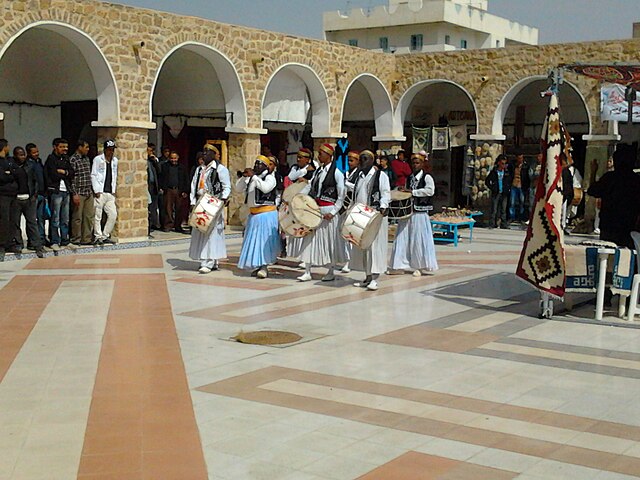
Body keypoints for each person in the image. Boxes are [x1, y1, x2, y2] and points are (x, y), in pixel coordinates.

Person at [297, 143, 346, 282]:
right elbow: (309, 186)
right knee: (309, 240)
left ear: (329, 156)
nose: (319, 156)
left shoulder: (337, 173)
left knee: (329, 242)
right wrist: (297, 198)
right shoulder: (318, 171)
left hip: (329, 211)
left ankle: (330, 270)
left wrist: (334, 211)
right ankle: (307, 270)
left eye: (321, 153)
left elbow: (341, 194)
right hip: (316, 210)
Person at [389, 152, 438, 276]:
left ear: (422, 164)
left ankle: (419, 266)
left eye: (417, 163)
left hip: (419, 213)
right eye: (413, 163)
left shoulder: (427, 177)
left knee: (418, 239)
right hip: (408, 212)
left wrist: (413, 192)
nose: (415, 165)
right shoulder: (410, 177)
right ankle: (399, 264)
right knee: (402, 237)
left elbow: (430, 191)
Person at [348, 150, 391, 291]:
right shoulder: (359, 176)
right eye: (361, 159)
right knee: (364, 247)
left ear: (372, 161)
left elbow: (385, 193)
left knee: (374, 247)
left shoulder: (381, 176)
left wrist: (383, 206)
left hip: (375, 214)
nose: (363, 161)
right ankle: (367, 276)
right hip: (362, 216)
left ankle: (375, 278)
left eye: (366, 159)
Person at [236, 155, 281, 279]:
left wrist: (254, 177)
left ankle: (264, 267)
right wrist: (243, 178)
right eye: (255, 164)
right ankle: (258, 265)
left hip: (266, 214)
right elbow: (238, 189)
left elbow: (265, 188)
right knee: (255, 242)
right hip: (254, 214)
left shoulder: (270, 178)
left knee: (263, 242)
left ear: (265, 166)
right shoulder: (253, 178)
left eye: (259, 164)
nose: (256, 166)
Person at [587, 145, 640, 249]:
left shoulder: (609, 178)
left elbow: (592, 190)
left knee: (607, 256)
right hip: (628, 226)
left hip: (609, 226)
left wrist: (593, 171)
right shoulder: (637, 181)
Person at [189, 147, 231, 274]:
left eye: (208, 153)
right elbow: (193, 185)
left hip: (213, 204)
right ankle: (210, 259)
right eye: (204, 152)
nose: (205, 154)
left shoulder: (220, 169)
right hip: (201, 202)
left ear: (214, 155)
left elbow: (226, 187)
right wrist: (192, 202)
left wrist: (222, 200)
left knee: (211, 233)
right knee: (201, 231)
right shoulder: (199, 169)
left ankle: (208, 261)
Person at [10, 146, 44, 257]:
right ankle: (18, 244)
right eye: (20, 154)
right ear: (15, 155)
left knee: (32, 222)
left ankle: (36, 245)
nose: (23, 156)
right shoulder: (12, 166)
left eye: (23, 154)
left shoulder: (30, 166)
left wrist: (34, 195)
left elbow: (35, 181)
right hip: (16, 199)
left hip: (29, 198)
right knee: (15, 222)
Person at [284, 148, 316, 262]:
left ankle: (305, 256)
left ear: (307, 159)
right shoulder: (295, 168)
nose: (298, 159)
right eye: (298, 157)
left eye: (301, 157)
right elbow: (291, 177)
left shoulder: (314, 168)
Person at [44, 138, 74, 250]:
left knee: (65, 218)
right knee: (55, 218)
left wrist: (63, 171)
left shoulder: (66, 159)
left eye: (66, 147)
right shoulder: (51, 159)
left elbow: (71, 173)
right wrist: (63, 173)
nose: (64, 149)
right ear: (55, 147)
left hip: (66, 191)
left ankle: (65, 241)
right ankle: (54, 241)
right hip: (56, 191)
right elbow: (53, 175)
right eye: (62, 147)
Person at [91, 139, 118, 245]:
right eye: (109, 150)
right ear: (105, 150)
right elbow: (93, 174)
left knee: (113, 214)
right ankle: (98, 236)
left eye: (113, 150)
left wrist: (114, 190)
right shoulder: (98, 159)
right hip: (100, 191)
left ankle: (105, 234)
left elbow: (115, 175)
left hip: (110, 192)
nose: (111, 152)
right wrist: (96, 189)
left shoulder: (115, 161)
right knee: (98, 215)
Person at [69, 140, 94, 245]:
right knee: (77, 217)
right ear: (80, 147)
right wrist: (74, 193)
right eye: (86, 147)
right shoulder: (73, 160)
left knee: (88, 216)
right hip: (78, 192)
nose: (88, 149)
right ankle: (76, 238)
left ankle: (86, 238)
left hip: (88, 191)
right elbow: (71, 178)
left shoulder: (87, 159)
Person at [340, 150, 361, 274]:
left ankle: (350, 261)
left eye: (352, 160)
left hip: (353, 206)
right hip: (345, 206)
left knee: (351, 233)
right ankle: (346, 259)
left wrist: (346, 184)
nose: (349, 162)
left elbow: (358, 187)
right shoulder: (346, 173)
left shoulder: (359, 174)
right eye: (348, 160)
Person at [160, 151, 189, 233]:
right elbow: (161, 177)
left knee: (179, 209)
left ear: (178, 158)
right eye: (172, 158)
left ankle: (178, 225)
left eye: (175, 158)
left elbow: (185, 179)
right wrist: (162, 187)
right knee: (168, 208)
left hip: (178, 190)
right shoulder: (165, 166)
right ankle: (168, 225)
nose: (173, 160)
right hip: (168, 189)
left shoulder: (182, 168)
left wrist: (185, 190)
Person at [0, 139, 19, 260]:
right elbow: (2, 177)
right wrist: (9, 175)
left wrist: (10, 173)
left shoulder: (10, 160)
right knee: (4, 219)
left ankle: (10, 242)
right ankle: (2, 244)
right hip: (3, 194)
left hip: (13, 194)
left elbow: (17, 173)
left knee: (13, 219)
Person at [25, 143, 47, 246]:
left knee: (41, 218)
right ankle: (32, 241)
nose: (36, 154)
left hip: (42, 193)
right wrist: (33, 193)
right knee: (32, 220)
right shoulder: (28, 164)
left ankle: (41, 238)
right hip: (34, 195)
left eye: (37, 152)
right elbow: (30, 180)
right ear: (29, 153)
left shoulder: (39, 162)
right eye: (34, 153)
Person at [486, 154, 511, 229]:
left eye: (505, 164)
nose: (504, 165)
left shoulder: (506, 172)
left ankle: (503, 224)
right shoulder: (494, 172)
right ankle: (492, 223)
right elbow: (487, 181)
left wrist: (507, 188)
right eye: (502, 163)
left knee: (503, 209)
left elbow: (509, 181)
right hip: (496, 192)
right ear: (499, 163)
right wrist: (493, 187)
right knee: (494, 209)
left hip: (504, 193)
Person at [594, 156, 614, 235]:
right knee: (598, 212)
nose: (608, 163)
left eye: (610, 161)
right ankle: (597, 227)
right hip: (603, 199)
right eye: (608, 161)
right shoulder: (605, 173)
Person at [147, 143, 161, 234]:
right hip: (147, 186)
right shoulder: (144, 161)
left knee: (153, 206)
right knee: (148, 206)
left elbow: (159, 171)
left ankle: (153, 224)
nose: (150, 153)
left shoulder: (152, 161)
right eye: (149, 151)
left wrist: (155, 161)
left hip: (153, 186)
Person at [509, 153, 526, 222]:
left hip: (521, 185)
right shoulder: (513, 166)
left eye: (521, 158)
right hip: (514, 185)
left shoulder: (525, 166)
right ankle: (512, 217)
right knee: (512, 202)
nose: (520, 160)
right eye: (519, 158)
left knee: (522, 202)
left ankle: (521, 217)